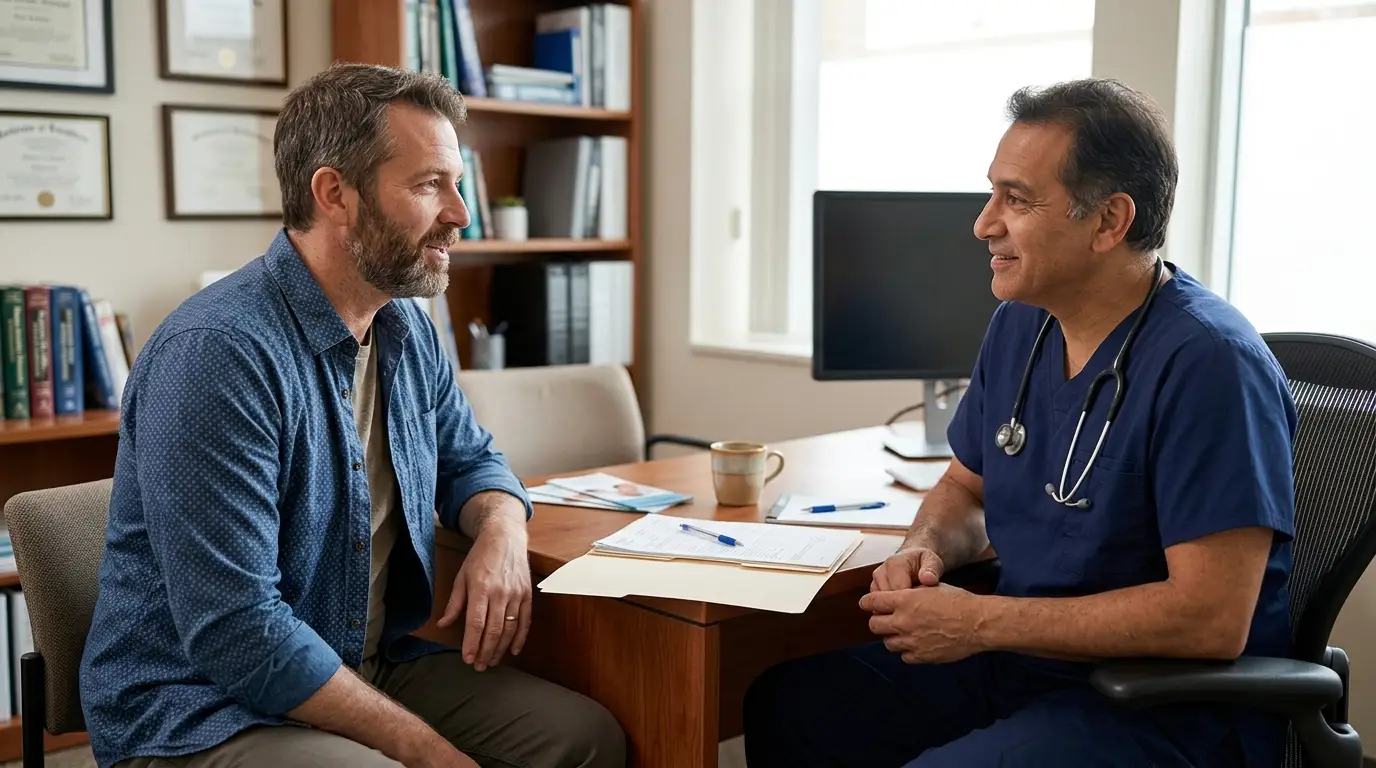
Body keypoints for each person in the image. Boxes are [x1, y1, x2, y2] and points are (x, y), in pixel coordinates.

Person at [79, 63, 626, 768]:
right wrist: (427, 751)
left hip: (366, 662)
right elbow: (238, 631)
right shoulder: (216, 355)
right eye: (431, 185)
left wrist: (501, 529)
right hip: (201, 708)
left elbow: (471, 460)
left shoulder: (408, 326)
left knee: (585, 740)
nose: (461, 214)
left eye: (455, 184)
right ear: (335, 194)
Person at [742, 78, 1297, 767]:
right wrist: (927, 549)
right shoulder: (1020, 325)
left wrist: (977, 622)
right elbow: (966, 489)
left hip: (1164, 706)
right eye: (992, 193)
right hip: (1027, 666)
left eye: (1017, 199)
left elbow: (1211, 618)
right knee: (796, 704)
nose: (983, 223)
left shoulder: (1211, 364)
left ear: (1109, 222)